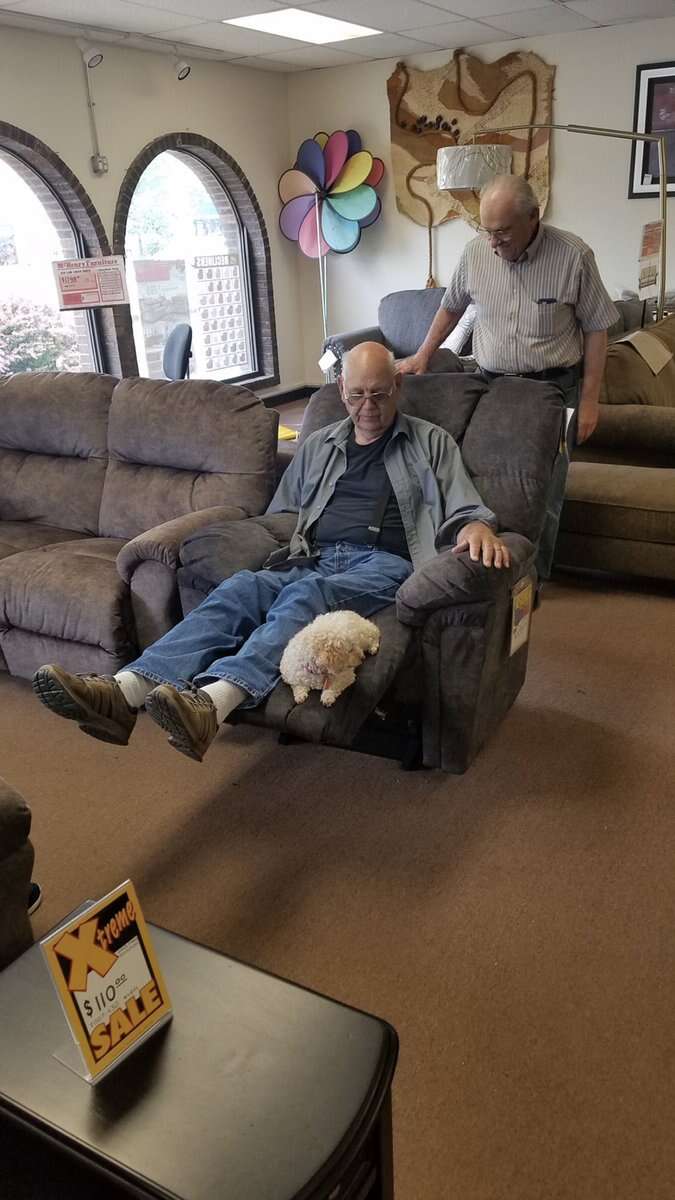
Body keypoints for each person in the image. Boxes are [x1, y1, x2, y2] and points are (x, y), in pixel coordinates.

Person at [32, 342, 509, 764]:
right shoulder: (319, 445)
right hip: (313, 555)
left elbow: (465, 505)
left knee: (307, 595)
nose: (367, 407)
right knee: (242, 587)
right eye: (357, 394)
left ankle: (213, 703)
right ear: (341, 390)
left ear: (397, 387)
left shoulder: (430, 442)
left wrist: (476, 525)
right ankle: (123, 694)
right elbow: (284, 513)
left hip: (385, 564)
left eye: (379, 394)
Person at [397, 175, 619, 580]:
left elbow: (596, 328)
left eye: (502, 232)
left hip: (552, 387)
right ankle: (490, 570)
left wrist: (590, 400)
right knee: (486, 479)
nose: (493, 243)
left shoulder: (573, 256)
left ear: (533, 217)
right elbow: (451, 306)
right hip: (493, 385)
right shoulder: (475, 253)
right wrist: (422, 355)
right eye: (486, 231)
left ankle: (534, 579)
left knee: (546, 487)